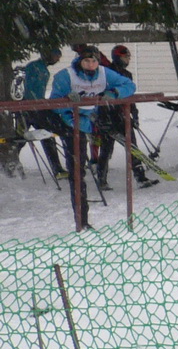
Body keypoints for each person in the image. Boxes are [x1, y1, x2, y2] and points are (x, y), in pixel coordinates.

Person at [48, 45, 135, 227]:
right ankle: (82, 220)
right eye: (86, 60)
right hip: (66, 122)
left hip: (87, 122)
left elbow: (129, 85)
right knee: (77, 170)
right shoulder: (66, 76)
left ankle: (84, 220)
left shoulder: (104, 73)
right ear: (80, 60)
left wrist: (114, 93)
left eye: (94, 61)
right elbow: (54, 104)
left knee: (84, 167)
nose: (90, 64)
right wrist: (67, 101)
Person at [95, 45, 157, 190]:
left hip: (122, 116)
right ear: (117, 57)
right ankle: (101, 179)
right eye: (125, 57)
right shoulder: (105, 72)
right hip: (106, 115)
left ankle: (140, 177)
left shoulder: (127, 75)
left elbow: (130, 96)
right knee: (106, 149)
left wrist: (134, 114)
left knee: (132, 147)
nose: (128, 59)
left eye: (128, 57)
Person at [22, 47, 65, 179]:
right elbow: (29, 88)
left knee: (43, 137)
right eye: (56, 56)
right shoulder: (35, 68)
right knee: (24, 138)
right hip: (30, 108)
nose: (58, 59)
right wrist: (34, 103)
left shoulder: (41, 68)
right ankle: (57, 169)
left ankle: (57, 169)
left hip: (36, 107)